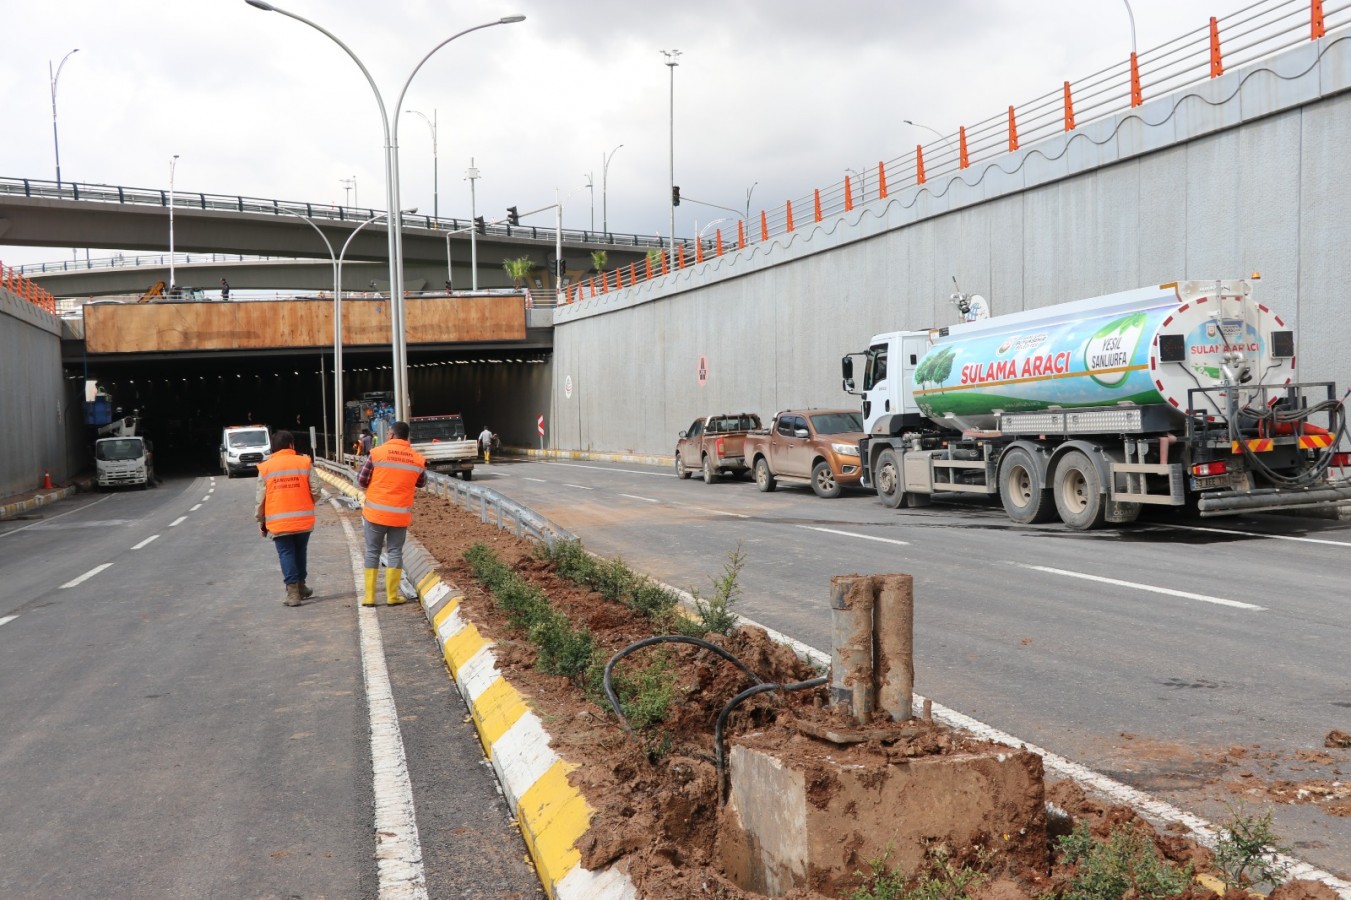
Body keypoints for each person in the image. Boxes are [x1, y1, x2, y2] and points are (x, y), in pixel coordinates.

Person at [357, 420, 426, 607]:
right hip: (399, 515)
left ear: (393, 435)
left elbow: (362, 480)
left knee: (373, 552)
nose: (387, 435)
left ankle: (369, 597)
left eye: (388, 433)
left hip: (375, 514)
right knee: (395, 551)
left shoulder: (377, 453)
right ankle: (392, 596)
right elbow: (421, 482)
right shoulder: (416, 458)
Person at [255, 430, 321, 607]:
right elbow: (316, 490)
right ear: (291, 445)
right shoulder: (304, 462)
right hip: (303, 518)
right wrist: (306, 502)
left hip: (278, 520)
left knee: (286, 553)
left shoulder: (266, 467)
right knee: (300, 552)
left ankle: (293, 594)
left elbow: (261, 498)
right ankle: (301, 586)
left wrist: (261, 520)